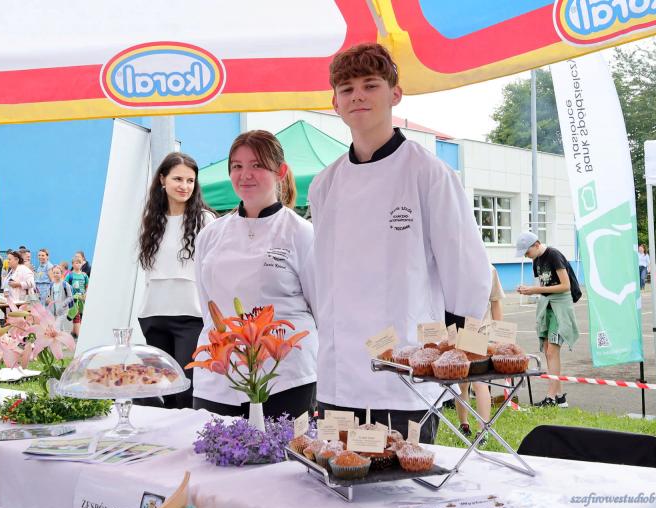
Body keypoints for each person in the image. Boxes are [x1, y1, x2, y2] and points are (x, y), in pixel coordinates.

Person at [309, 43, 491, 444]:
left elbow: (467, 269)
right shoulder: (325, 184)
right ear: (335, 103)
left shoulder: (429, 173)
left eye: (370, 85)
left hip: (407, 373)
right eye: (346, 89)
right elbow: (322, 274)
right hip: (339, 373)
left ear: (395, 94)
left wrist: (457, 352)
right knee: (339, 474)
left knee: (405, 477)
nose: (357, 96)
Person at [193, 130, 317, 418]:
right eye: (237, 166)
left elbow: (319, 305)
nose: (245, 174)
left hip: (285, 373)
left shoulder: (301, 233)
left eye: (257, 165)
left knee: (282, 447)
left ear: (280, 172)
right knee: (216, 445)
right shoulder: (210, 235)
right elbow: (206, 304)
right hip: (221, 372)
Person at [137, 152, 216, 409]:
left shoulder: (205, 220)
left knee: (187, 390)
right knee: (163, 389)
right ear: (162, 179)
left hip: (191, 317)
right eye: (178, 179)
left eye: (190, 180)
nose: (184, 186)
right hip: (153, 315)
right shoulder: (150, 221)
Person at [515, 231, 580, 408]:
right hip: (547, 306)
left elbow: (565, 286)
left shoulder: (554, 255)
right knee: (547, 350)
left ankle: (551, 397)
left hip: (560, 307)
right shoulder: (536, 260)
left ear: (536, 245)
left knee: (552, 351)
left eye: (527, 252)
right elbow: (545, 285)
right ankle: (560, 398)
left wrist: (535, 290)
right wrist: (530, 290)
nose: (526, 256)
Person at [455, 266, 504, 443]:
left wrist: (499, 335)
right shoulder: (455, 268)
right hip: (458, 332)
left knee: (478, 382)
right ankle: (464, 424)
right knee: (462, 382)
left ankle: (482, 429)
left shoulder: (489, 269)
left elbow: (496, 302)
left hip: (478, 332)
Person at [66, 258, 89, 339]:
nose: (78, 264)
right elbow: (65, 286)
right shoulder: (70, 275)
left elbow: (87, 286)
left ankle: (74, 332)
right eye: (76, 263)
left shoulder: (84, 275)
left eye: (79, 263)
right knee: (75, 314)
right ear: (72, 264)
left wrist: (85, 294)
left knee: (81, 314)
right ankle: (79, 334)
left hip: (82, 298)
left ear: (82, 264)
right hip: (73, 299)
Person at [45, 264, 73, 332]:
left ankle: (61, 337)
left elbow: (70, 297)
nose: (55, 274)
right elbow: (48, 296)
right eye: (54, 273)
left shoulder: (65, 284)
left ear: (61, 273)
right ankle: (63, 336)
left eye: (57, 273)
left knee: (57, 325)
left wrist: (63, 304)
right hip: (54, 310)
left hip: (63, 310)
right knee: (60, 327)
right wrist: (47, 300)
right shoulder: (51, 285)